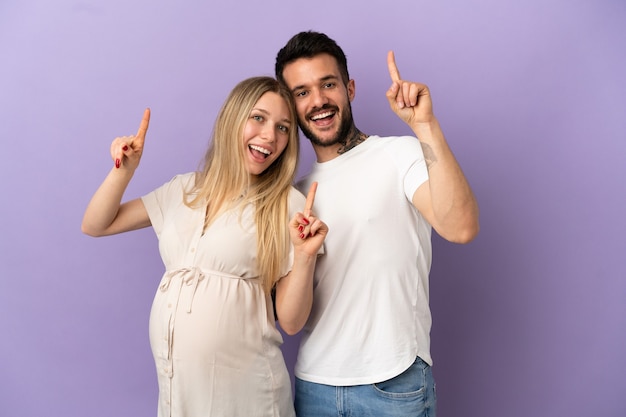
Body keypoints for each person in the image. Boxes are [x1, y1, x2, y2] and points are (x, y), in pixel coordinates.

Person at [81, 76, 327, 417]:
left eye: (284, 127)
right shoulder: (183, 190)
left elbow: (291, 321)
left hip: (248, 397)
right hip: (179, 392)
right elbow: (96, 224)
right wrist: (124, 171)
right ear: (232, 119)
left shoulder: (286, 204)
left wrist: (304, 256)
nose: (270, 136)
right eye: (258, 118)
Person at [274, 31, 480, 416]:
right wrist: (303, 255)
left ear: (349, 88)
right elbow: (290, 321)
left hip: (394, 383)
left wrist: (425, 126)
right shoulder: (297, 197)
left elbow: (461, 227)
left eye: (328, 84)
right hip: (315, 387)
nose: (318, 101)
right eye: (301, 92)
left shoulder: (399, 154)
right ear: (291, 106)